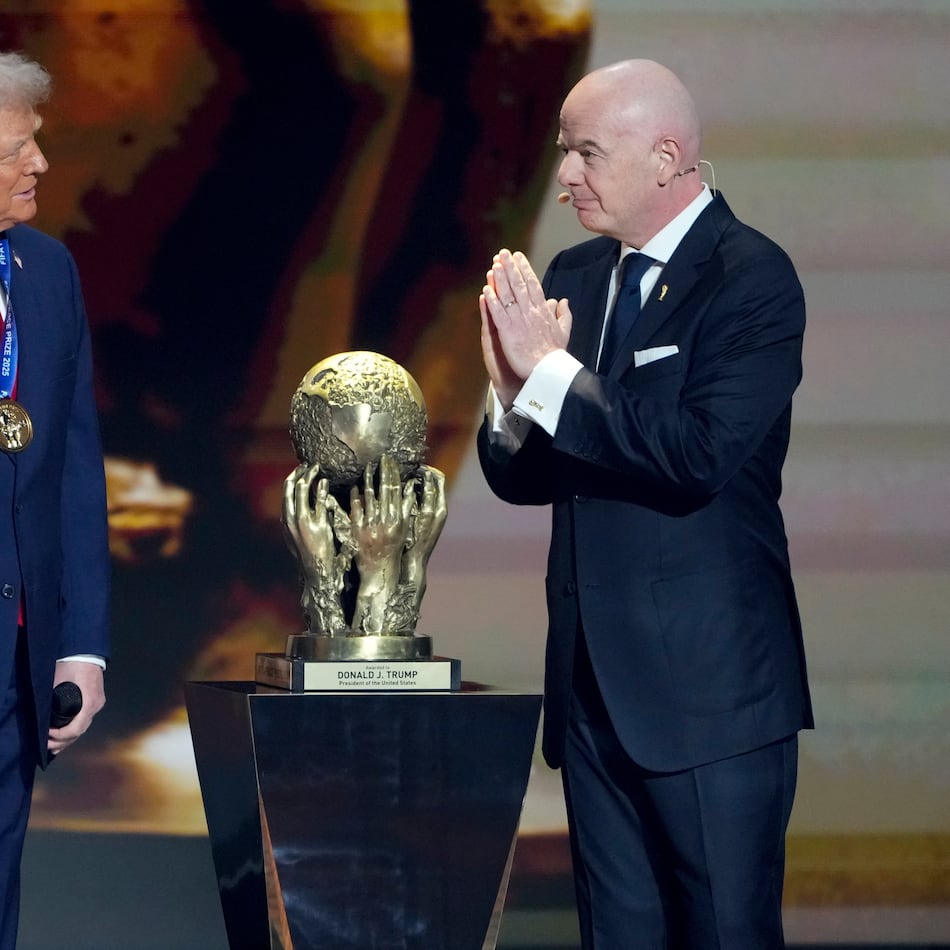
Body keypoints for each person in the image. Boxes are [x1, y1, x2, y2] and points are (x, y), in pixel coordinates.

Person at [477, 59, 812, 948]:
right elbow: (527, 478)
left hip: (709, 698)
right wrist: (510, 393)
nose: (564, 175)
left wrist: (551, 372)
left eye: (587, 152)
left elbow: (696, 456)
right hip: (591, 694)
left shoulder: (750, 279)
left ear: (667, 158)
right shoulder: (577, 276)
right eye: (561, 150)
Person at [0, 51, 109, 946]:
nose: (39, 165)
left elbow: (74, 466)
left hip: (16, 668)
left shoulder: (46, 270)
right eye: (18, 150)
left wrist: (81, 646)